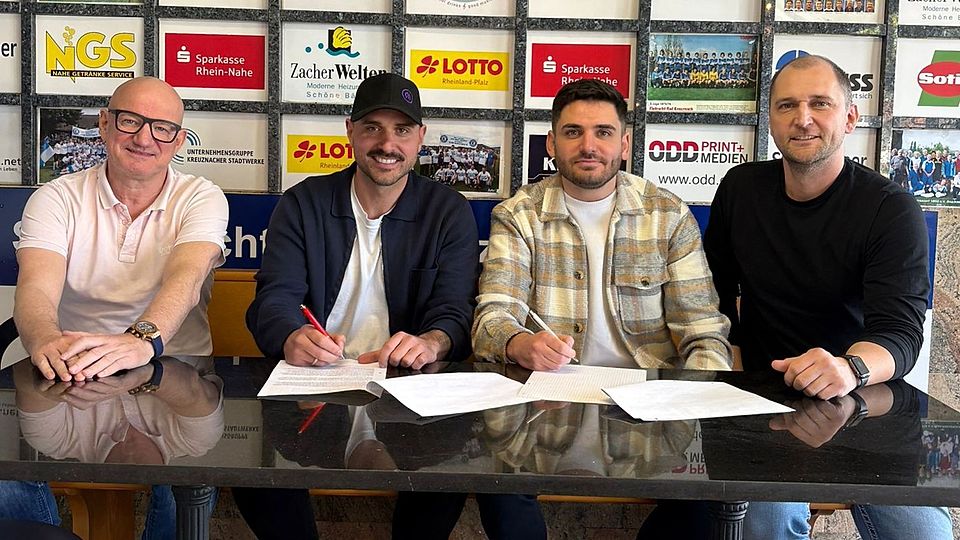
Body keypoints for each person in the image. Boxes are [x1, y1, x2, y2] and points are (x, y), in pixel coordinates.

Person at [239, 73, 540, 540]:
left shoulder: (449, 210)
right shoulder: (303, 203)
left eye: (402, 130)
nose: (387, 144)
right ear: (350, 131)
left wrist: (431, 342)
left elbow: (457, 313)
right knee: (255, 477)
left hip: (412, 391)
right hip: (314, 387)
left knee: (442, 475)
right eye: (373, 127)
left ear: (420, 138)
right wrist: (290, 336)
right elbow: (272, 300)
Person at [703, 54, 950, 540]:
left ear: (850, 117)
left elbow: (900, 333)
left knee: (924, 532)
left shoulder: (890, 208)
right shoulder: (740, 189)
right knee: (766, 524)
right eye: (787, 105)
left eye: (821, 103)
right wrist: (729, 363)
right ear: (770, 119)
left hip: (863, 398)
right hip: (763, 400)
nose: (803, 118)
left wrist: (847, 369)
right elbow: (712, 296)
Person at [3, 76, 229, 539]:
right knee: (8, 469)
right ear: (105, 125)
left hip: (177, 365)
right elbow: (35, 290)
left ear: (179, 141)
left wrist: (140, 341)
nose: (145, 138)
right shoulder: (56, 197)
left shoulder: (201, 196)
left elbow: (185, 280)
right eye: (130, 121)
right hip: (72, 369)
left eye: (162, 128)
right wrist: (44, 338)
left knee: (199, 465)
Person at [473, 78, 730, 372]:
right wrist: (518, 343)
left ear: (624, 145)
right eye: (573, 132)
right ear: (551, 144)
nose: (588, 146)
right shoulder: (517, 216)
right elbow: (492, 318)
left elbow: (704, 332)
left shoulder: (668, 215)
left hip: (648, 396)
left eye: (603, 132)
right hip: (550, 392)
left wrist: (696, 398)